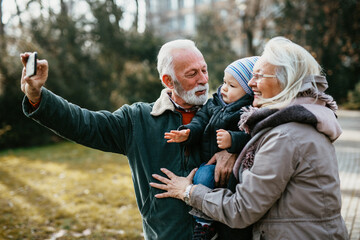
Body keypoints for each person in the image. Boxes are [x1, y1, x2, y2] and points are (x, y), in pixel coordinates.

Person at [20, 39, 237, 240]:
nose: (203, 79)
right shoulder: (138, 119)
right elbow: (83, 124)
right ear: (168, 80)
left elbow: (263, 136)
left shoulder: (225, 112)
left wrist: (234, 150)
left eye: (204, 69)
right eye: (192, 74)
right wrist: (37, 96)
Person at [150, 36, 349, 239]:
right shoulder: (292, 124)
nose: (251, 83)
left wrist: (188, 191)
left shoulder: (286, 136)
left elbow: (241, 210)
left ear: (285, 80)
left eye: (259, 76)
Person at [164, 57, 258, 239]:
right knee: (203, 176)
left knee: (212, 182)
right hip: (209, 161)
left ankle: (208, 224)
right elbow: (200, 121)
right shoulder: (214, 102)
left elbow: (252, 135)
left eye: (231, 86)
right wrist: (188, 133)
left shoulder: (247, 111)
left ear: (247, 92)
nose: (223, 88)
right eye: (224, 82)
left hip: (234, 170)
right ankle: (204, 223)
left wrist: (233, 140)